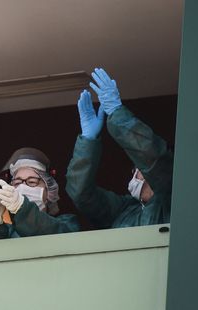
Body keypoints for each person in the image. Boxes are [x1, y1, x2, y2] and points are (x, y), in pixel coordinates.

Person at [66, 68, 173, 228]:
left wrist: (117, 113)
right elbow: (81, 195)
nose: (136, 175)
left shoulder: (172, 200)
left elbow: (151, 155)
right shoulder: (122, 210)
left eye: (141, 169)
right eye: (134, 170)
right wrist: (87, 141)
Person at [0, 148, 79, 242]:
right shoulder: (5, 233)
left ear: (49, 191)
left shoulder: (67, 224)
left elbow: (59, 235)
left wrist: (23, 208)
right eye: (17, 183)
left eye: (32, 182)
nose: (23, 187)